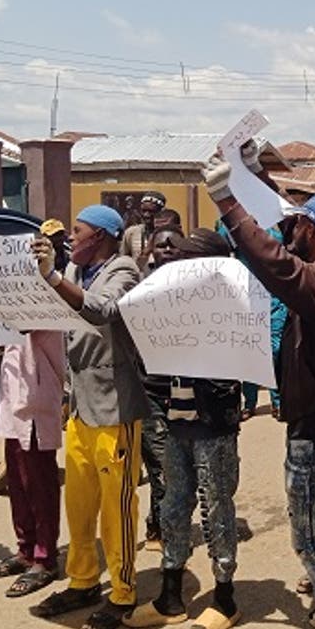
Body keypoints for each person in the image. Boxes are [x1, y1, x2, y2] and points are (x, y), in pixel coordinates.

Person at [207, 152, 315, 629]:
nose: (292, 228)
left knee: (313, 542)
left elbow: (277, 265)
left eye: (300, 224)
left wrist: (229, 203)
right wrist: (255, 177)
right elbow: (284, 231)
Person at [30, 205, 149, 629]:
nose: (69, 239)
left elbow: (102, 311)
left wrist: (52, 277)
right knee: (79, 506)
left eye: (75, 232)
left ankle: (122, 591)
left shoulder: (124, 270)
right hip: (81, 407)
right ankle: (82, 580)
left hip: (115, 409)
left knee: (117, 509)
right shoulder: (78, 272)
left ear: (98, 236)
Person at [125, 227, 245, 629]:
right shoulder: (172, 300)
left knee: (216, 507)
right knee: (174, 504)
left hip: (213, 423)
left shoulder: (233, 307)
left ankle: (225, 597)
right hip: (176, 419)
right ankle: (170, 598)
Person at [0, 327, 67, 597]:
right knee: (17, 481)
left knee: (39, 482)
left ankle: (45, 557)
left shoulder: (44, 292)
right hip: (13, 393)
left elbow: (27, 323)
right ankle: (26, 549)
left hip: (36, 396)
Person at [140, 224, 184, 550]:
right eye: (161, 245)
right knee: (160, 464)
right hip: (149, 389)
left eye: (173, 244)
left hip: (184, 390)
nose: (167, 249)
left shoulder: (195, 289)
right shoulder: (140, 287)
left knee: (179, 464)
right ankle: (159, 527)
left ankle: (170, 522)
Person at [122, 191, 167, 261]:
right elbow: (123, 259)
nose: (146, 215)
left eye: (151, 211)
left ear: (161, 211)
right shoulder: (131, 233)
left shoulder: (167, 233)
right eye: (143, 211)